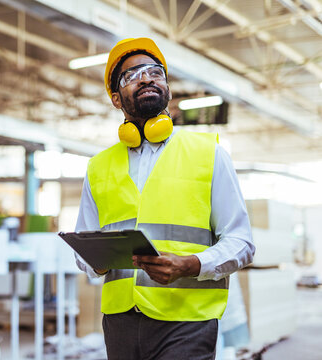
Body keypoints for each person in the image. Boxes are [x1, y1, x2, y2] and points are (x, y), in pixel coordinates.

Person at [74, 37, 255, 360]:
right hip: (119, 323)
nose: (146, 78)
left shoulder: (208, 154)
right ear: (116, 99)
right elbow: (85, 253)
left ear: (167, 87)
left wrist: (192, 265)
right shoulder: (98, 166)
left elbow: (242, 241)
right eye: (132, 75)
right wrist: (95, 260)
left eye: (155, 72)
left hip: (187, 322)